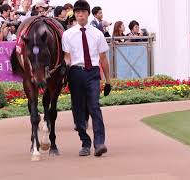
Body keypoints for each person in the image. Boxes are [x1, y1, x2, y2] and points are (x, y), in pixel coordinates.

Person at [62, 0, 111, 157]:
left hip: (93, 73)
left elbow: (103, 58)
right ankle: (85, 142)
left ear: (88, 14)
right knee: (78, 109)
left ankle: (99, 144)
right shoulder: (67, 34)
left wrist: (108, 81)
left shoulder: (97, 34)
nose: (80, 14)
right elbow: (67, 58)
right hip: (75, 73)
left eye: (83, 11)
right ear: (75, 14)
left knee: (94, 106)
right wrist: (62, 69)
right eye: (77, 12)